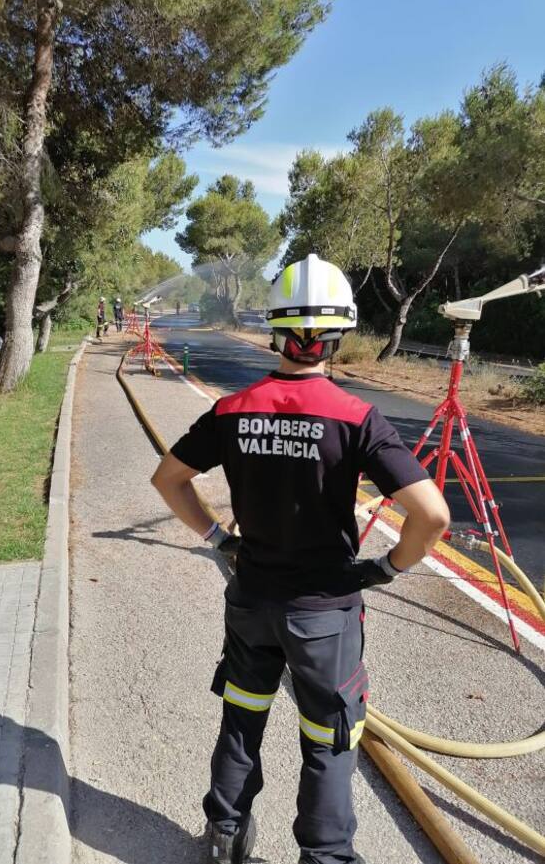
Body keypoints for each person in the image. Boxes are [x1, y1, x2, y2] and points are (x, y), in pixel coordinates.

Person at [151, 254, 450, 864]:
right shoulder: (357, 418)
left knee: (242, 716)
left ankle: (225, 835)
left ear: (274, 330)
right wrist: (388, 567)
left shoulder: (232, 409)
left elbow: (168, 479)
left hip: (251, 601)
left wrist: (218, 538)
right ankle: (325, 856)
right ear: (336, 337)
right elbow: (433, 516)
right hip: (325, 613)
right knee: (328, 737)